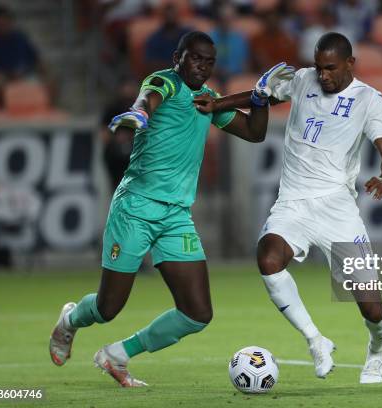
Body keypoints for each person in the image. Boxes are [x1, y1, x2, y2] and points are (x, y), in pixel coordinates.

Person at [48, 31, 294, 387]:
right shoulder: (165, 81)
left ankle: (117, 355)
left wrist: (259, 98)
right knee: (108, 307)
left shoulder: (207, 100)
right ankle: (71, 320)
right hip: (136, 208)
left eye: (209, 62)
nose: (202, 67)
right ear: (178, 57)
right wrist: (138, 114)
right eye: (196, 59)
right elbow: (148, 99)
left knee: (197, 313)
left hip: (176, 216)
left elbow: (254, 134)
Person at [196, 32, 382, 384]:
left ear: (351, 63)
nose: (323, 76)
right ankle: (315, 340)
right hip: (293, 202)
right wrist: (219, 104)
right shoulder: (303, 79)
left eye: (331, 69)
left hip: (338, 209)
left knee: (372, 307)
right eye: (319, 67)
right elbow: (263, 95)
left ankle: (377, 351)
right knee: (268, 258)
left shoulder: (368, 99)